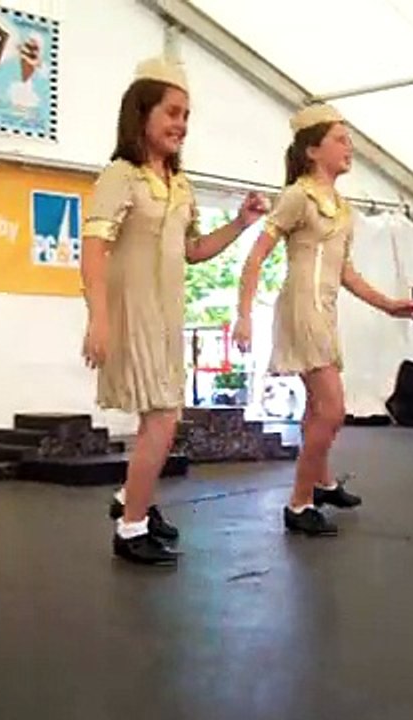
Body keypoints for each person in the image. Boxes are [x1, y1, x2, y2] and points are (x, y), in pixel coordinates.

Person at [80, 56, 267, 566]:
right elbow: (93, 250)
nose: (181, 124)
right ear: (141, 112)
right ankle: (131, 527)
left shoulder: (179, 183)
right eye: (172, 112)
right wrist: (98, 317)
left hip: (167, 315)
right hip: (132, 310)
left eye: (186, 115)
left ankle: (132, 499)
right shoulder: (120, 176)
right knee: (161, 418)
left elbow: (193, 250)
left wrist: (241, 223)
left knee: (163, 417)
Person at [234, 104, 413, 537]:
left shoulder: (343, 208)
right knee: (333, 409)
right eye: (339, 139)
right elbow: (256, 256)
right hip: (302, 307)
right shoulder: (297, 196)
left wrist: (389, 304)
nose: (348, 147)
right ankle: (299, 502)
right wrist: (243, 315)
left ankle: (321, 483)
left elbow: (346, 272)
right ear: (313, 150)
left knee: (318, 407)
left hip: (325, 307)